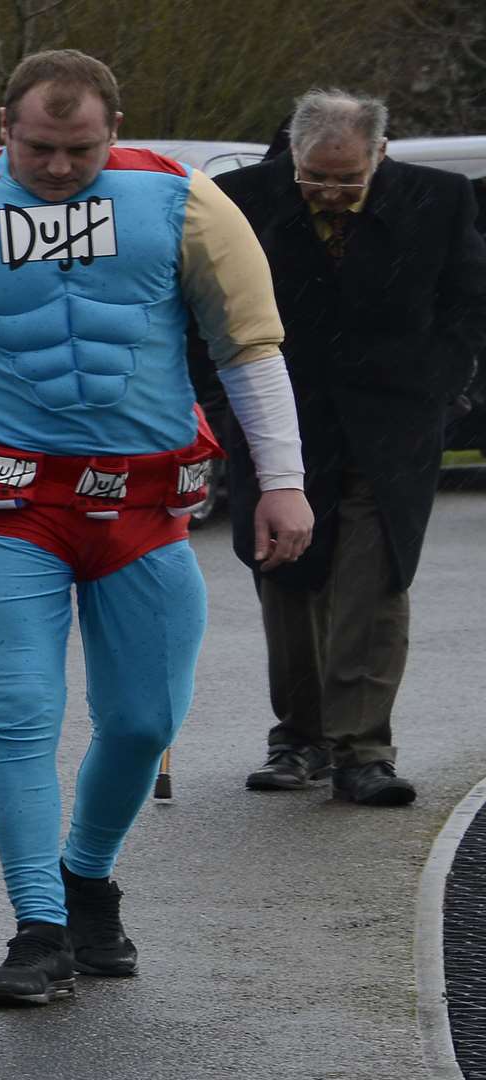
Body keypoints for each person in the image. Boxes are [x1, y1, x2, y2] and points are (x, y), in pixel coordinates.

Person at [0, 49, 311, 1006]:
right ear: (5, 126)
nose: (60, 168)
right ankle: (37, 929)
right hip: (10, 505)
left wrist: (285, 482)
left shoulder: (181, 201)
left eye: (81, 149)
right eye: (40, 148)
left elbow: (249, 347)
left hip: (145, 508)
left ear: (115, 129)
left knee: (145, 721)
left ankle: (86, 876)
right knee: (18, 720)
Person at [211, 90, 486, 806]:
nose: (329, 192)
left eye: (347, 178)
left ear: (381, 154)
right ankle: (299, 737)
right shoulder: (237, 200)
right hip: (280, 416)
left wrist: (442, 389)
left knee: (375, 577)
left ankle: (362, 750)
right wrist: (217, 409)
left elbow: (468, 303)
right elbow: (202, 308)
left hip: (393, 417)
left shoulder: (440, 200)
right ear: (293, 153)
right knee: (289, 572)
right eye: (314, 176)